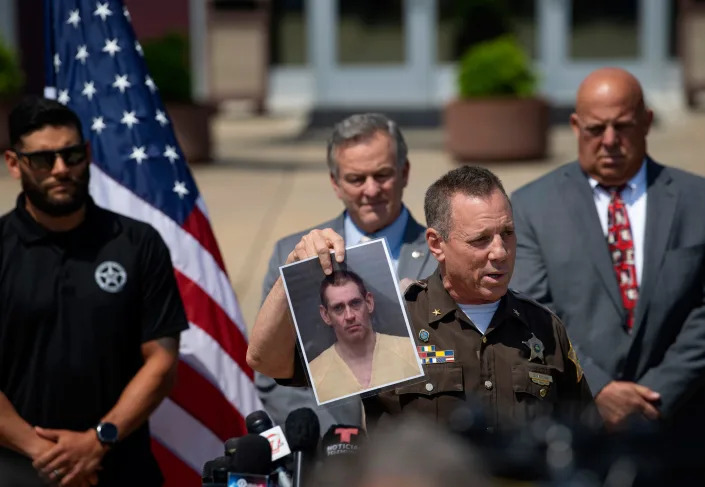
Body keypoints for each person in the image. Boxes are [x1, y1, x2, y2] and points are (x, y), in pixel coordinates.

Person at [248, 165, 595, 433]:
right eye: (480, 240)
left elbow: (585, 433)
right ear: (436, 244)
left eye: (507, 234)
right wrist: (290, 272)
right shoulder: (389, 321)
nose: (500, 252)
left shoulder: (542, 327)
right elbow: (267, 360)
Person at [0, 97, 188, 486]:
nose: (60, 169)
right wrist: (47, 454)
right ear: (14, 164)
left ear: (87, 153)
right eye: (42, 159)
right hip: (18, 469)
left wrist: (98, 440)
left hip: (118, 466)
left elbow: (162, 361)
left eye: (71, 155)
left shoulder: (137, 243)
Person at [510, 68, 705, 440]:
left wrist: (657, 394)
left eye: (624, 126)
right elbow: (532, 311)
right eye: (596, 129)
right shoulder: (531, 207)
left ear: (646, 122)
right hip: (579, 426)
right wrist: (597, 388)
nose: (610, 141)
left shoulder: (697, 200)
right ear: (574, 125)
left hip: (683, 425)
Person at [256, 113, 436, 430]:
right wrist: (337, 439)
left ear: (404, 172)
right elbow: (271, 374)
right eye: (355, 179)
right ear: (335, 183)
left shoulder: (442, 255)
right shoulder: (291, 254)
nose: (371, 189)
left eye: (382, 175)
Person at [310, 270, 420, 403]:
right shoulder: (314, 375)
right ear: (326, 315)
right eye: (338, 308)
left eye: (355, 303)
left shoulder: (412, 351)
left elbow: (449, 358)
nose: (350, 316)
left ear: (369, 302)